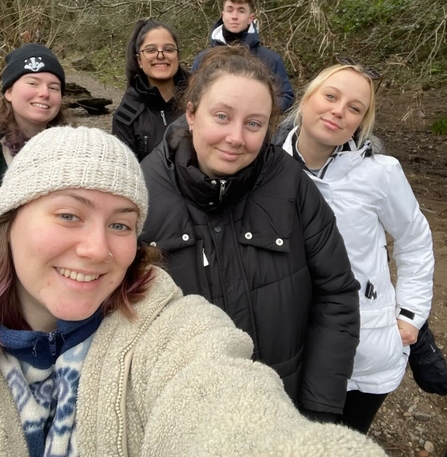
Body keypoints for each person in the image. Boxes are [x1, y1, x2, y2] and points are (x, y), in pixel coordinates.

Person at [0, 125, 388, 457]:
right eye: (69, 216)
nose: (98, 249)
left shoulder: (166, 326)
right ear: (10, 219)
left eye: (121, 225)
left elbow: (220, 399)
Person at [140, 45, 361, 423]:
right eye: (222, 116)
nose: (236, 137)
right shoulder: (141, 192)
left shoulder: (291, 185)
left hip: (283, 408)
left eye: (254, 124)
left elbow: (336, 293)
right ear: (191, 114)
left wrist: (318, 409)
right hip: (185, 418)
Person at [274, 59, 435, 433]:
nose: (338, 111)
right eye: (331, 96)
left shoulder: (381, 173)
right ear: (307, 98)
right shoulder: (265, 166)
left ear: (361, 121)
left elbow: (414, 240)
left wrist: (410, 315)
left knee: (346, 441)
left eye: (354, 108)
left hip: (366, 345)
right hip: (289, 341)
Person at [192, 0, 294, 112]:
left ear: (251, 17)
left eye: (241, 11)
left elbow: (286, 97)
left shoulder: (271, 59)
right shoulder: (203, 59)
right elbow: (192, 97)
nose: (234, 16)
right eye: (230, 10)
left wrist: (258, 110)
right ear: (223, 15)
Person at [112, 18, 189, 161]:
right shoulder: (125, 117)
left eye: (168, 49)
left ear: (177, 55)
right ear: (139, 60)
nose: (160, 56)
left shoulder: (200, 98)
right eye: (151, 50)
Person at [0, 42, 67, 182]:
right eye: (32, 83)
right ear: (9, 92)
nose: (44, 93)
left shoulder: (73, 146)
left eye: (53, 88)